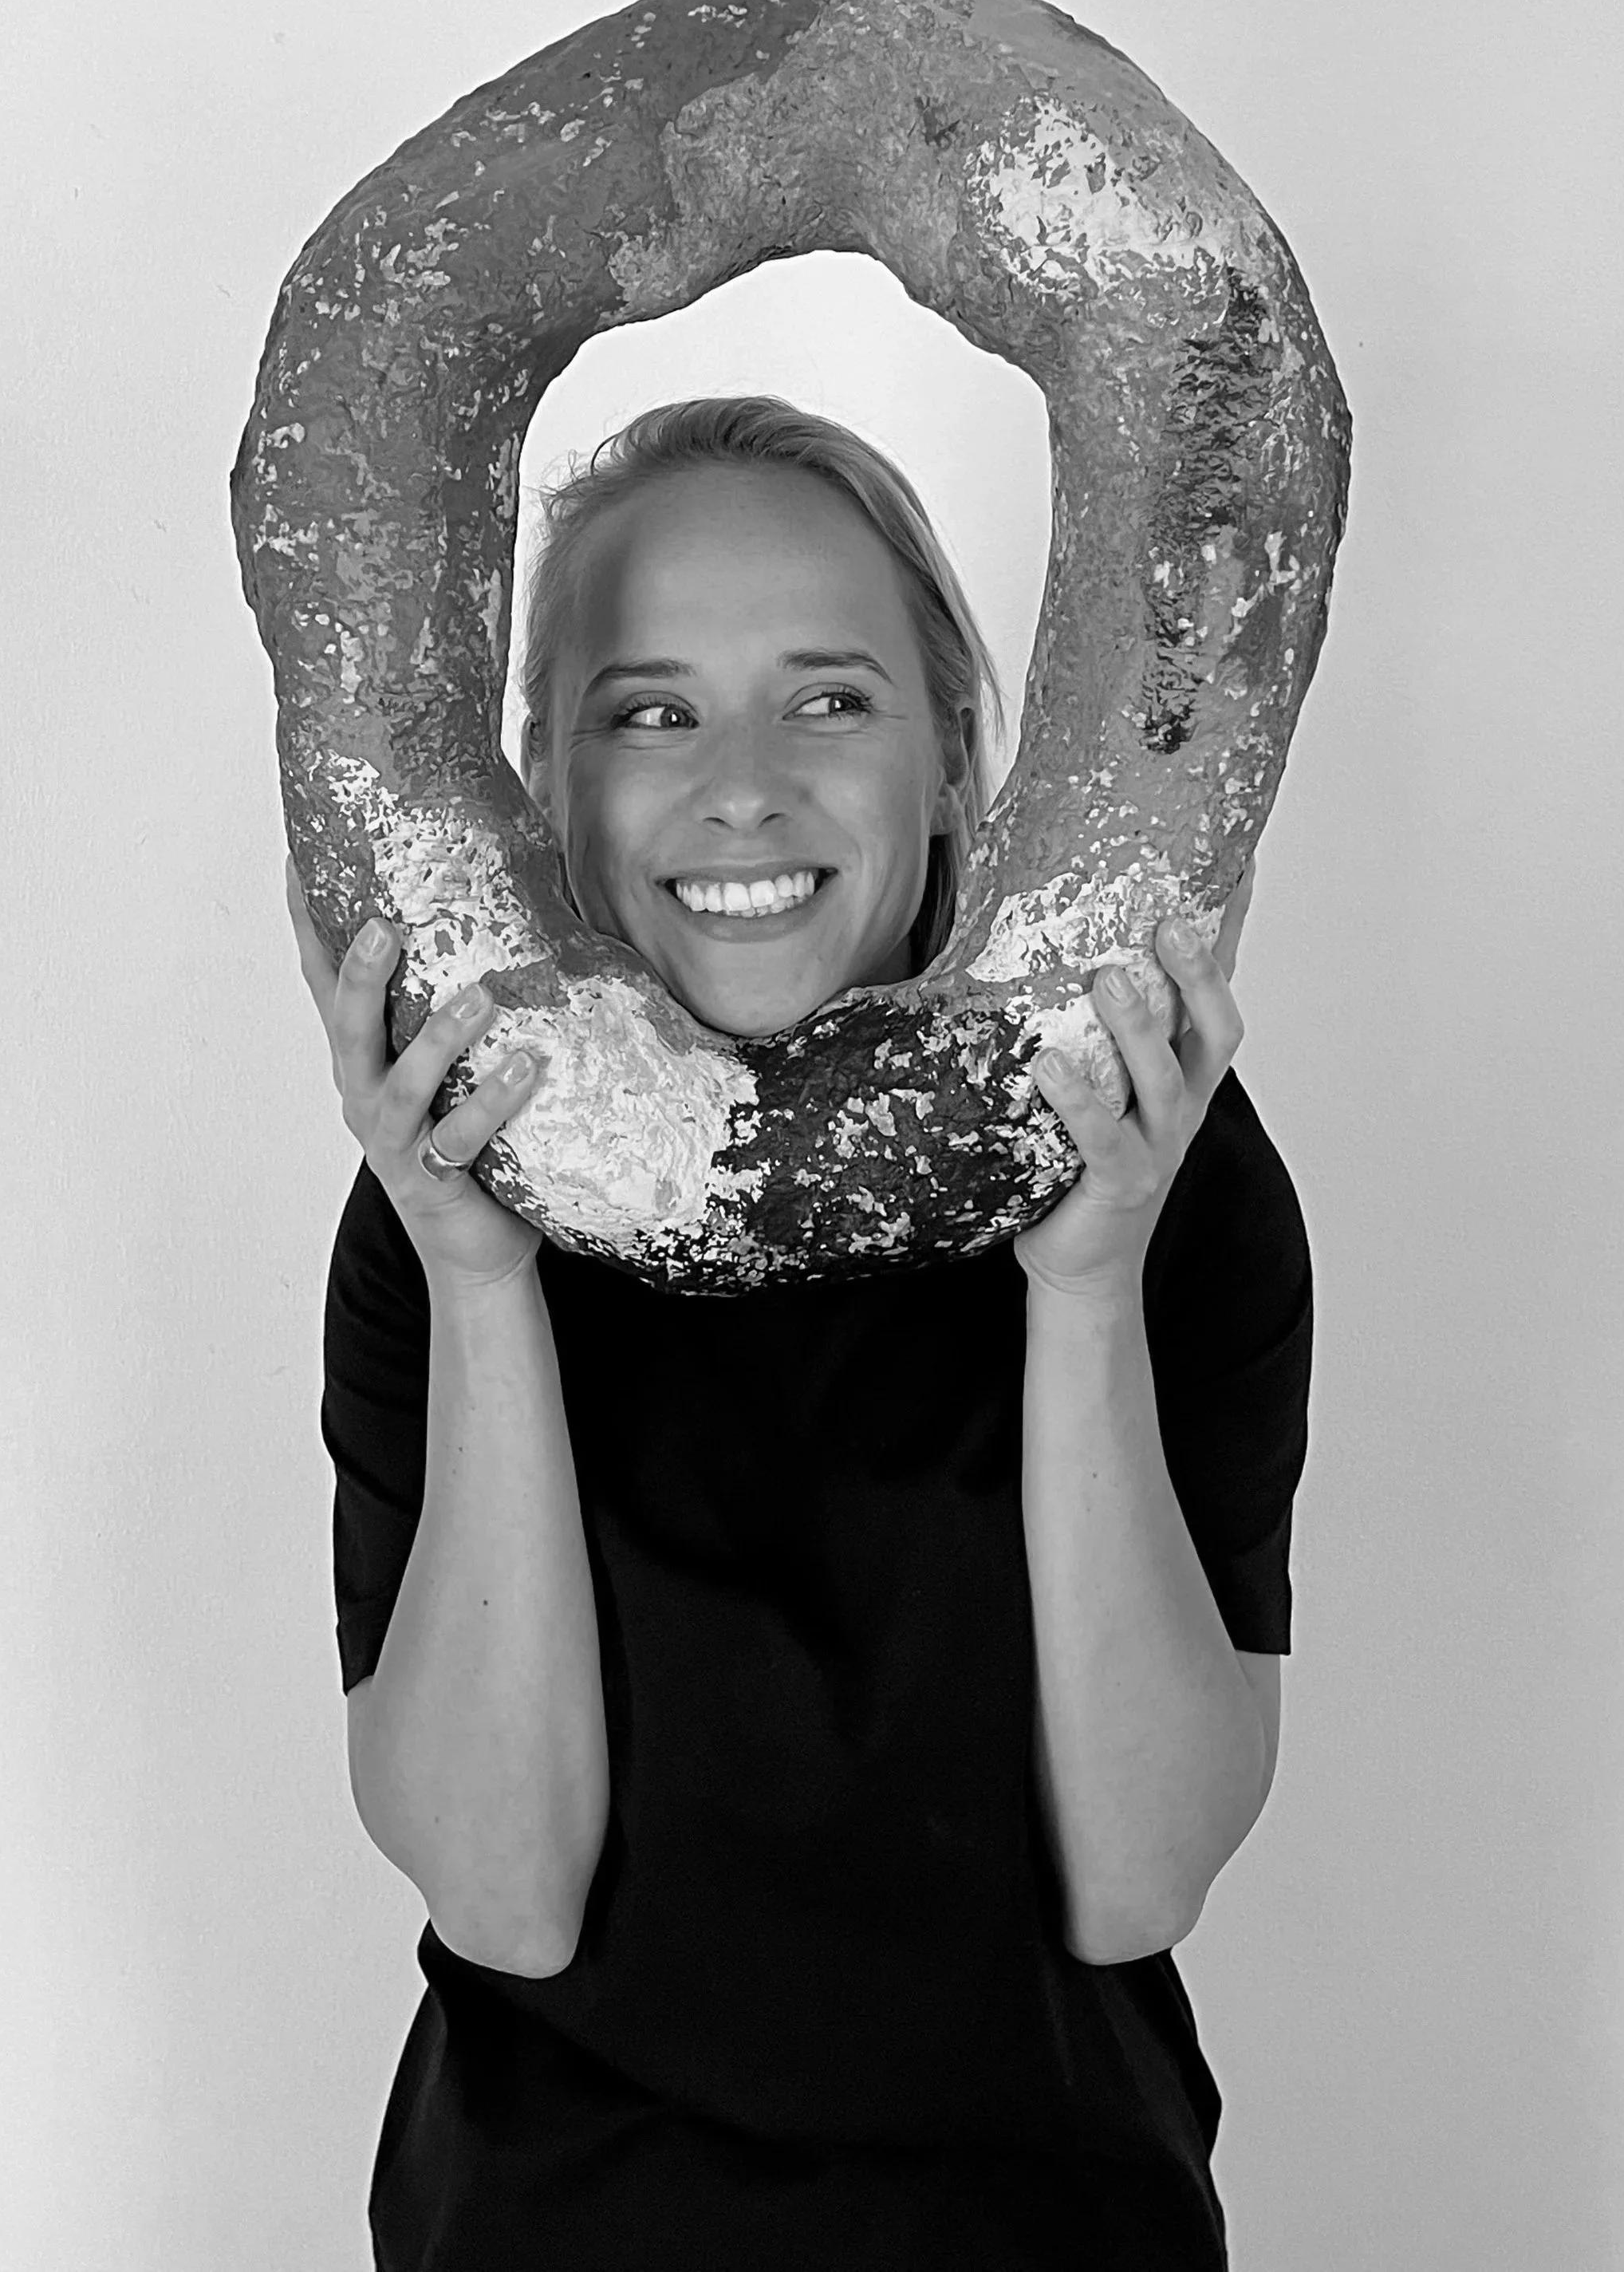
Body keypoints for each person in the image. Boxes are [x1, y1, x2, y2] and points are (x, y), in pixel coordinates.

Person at [286, 394, 1313, 2270]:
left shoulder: (1157, 1162)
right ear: (541, 786)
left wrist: (1080, 1294)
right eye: (647, 708)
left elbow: (1135, 1875)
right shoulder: (454, 1182)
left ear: (953, 767)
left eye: (828, 697)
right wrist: (481, 1282)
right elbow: (504, 1899)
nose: (738, 784)